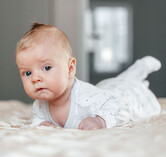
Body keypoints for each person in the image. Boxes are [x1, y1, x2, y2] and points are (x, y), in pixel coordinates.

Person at [16, 23, 161, 130]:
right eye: (27, 73)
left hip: (127, 94)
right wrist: (41, 124)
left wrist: (100, 120)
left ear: (70, 68)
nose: (35, 78)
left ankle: (139, 70)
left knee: (129, 88)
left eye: (46, 68)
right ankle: (132, 75)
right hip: (104, 88)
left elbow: (120, 106)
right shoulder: (40, 105)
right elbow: (38, 118)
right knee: (117, 83)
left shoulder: (87, 97)